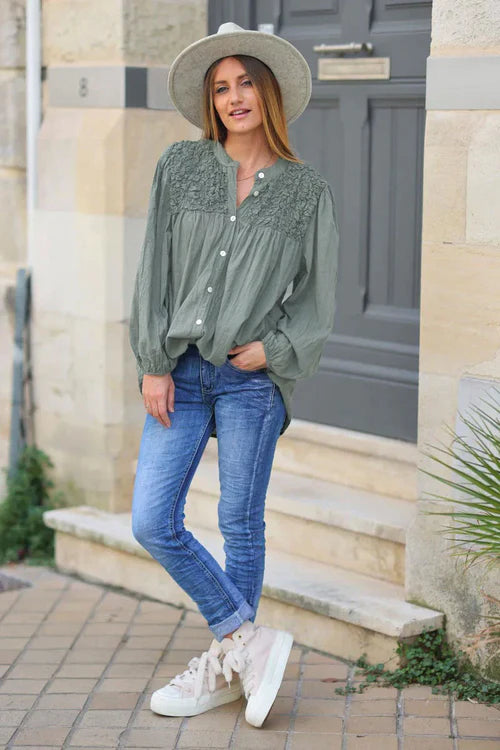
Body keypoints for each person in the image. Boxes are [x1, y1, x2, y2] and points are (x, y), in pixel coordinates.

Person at [128, 22, 339, 728]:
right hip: (181, 371)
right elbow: (154, 269)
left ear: (268, 92)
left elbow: (317, 299)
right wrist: (153, 363)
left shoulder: (305, 191)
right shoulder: (180, 167)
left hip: (251, 379)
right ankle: (246, 641)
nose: (234, 97)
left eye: (246, 82)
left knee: (240, 523)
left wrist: (273, 349)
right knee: (152, 520)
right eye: (221, 88)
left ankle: (227, 670)